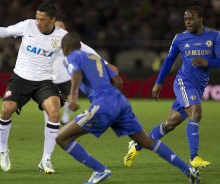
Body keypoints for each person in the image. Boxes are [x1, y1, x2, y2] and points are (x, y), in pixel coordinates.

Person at [56, 32, 200, 184]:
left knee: (62, 138)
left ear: (65, 49)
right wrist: (113, 102)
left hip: (102, 104)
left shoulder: (71, 57)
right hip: (120, 102)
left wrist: (73, 95)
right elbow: (118, 81)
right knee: (146, 142)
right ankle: (188, 170)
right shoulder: (95, 58)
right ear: (80, 46)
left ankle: (100, 170)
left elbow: (76, 73)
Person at [0, 2, 102, 174]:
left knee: (54, 112)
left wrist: (104, 62)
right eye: (37, 18)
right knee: (7, 110)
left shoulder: (61, 36)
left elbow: (83, 48)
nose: (38, 22)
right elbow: (6, 31)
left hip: (44, 81)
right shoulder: (27, 26)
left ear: (52, 20)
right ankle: (3, 150)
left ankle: (46, 160)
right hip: (20, 78)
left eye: (42, 19)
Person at [124, 6, 220, 169]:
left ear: (200, 19)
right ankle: (194, 157)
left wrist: (207, 62)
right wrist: (158, 82)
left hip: (199, 86)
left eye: (191, 18)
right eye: (185, 19)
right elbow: (169, 60)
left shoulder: (215, 36)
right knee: (195, 112)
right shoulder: (179, 38)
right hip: (184, 82)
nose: (187, 22)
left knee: (169, 123)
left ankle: (136, 145)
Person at [43, 20, 71, 127]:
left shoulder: (69, 41)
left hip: (66, 76)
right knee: (48, 101)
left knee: (72, 97)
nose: (59, 28)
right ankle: (48, 123)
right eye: (57, 26)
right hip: (51, 78)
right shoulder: (46, 40)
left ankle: (65, 118)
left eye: (61, 26)